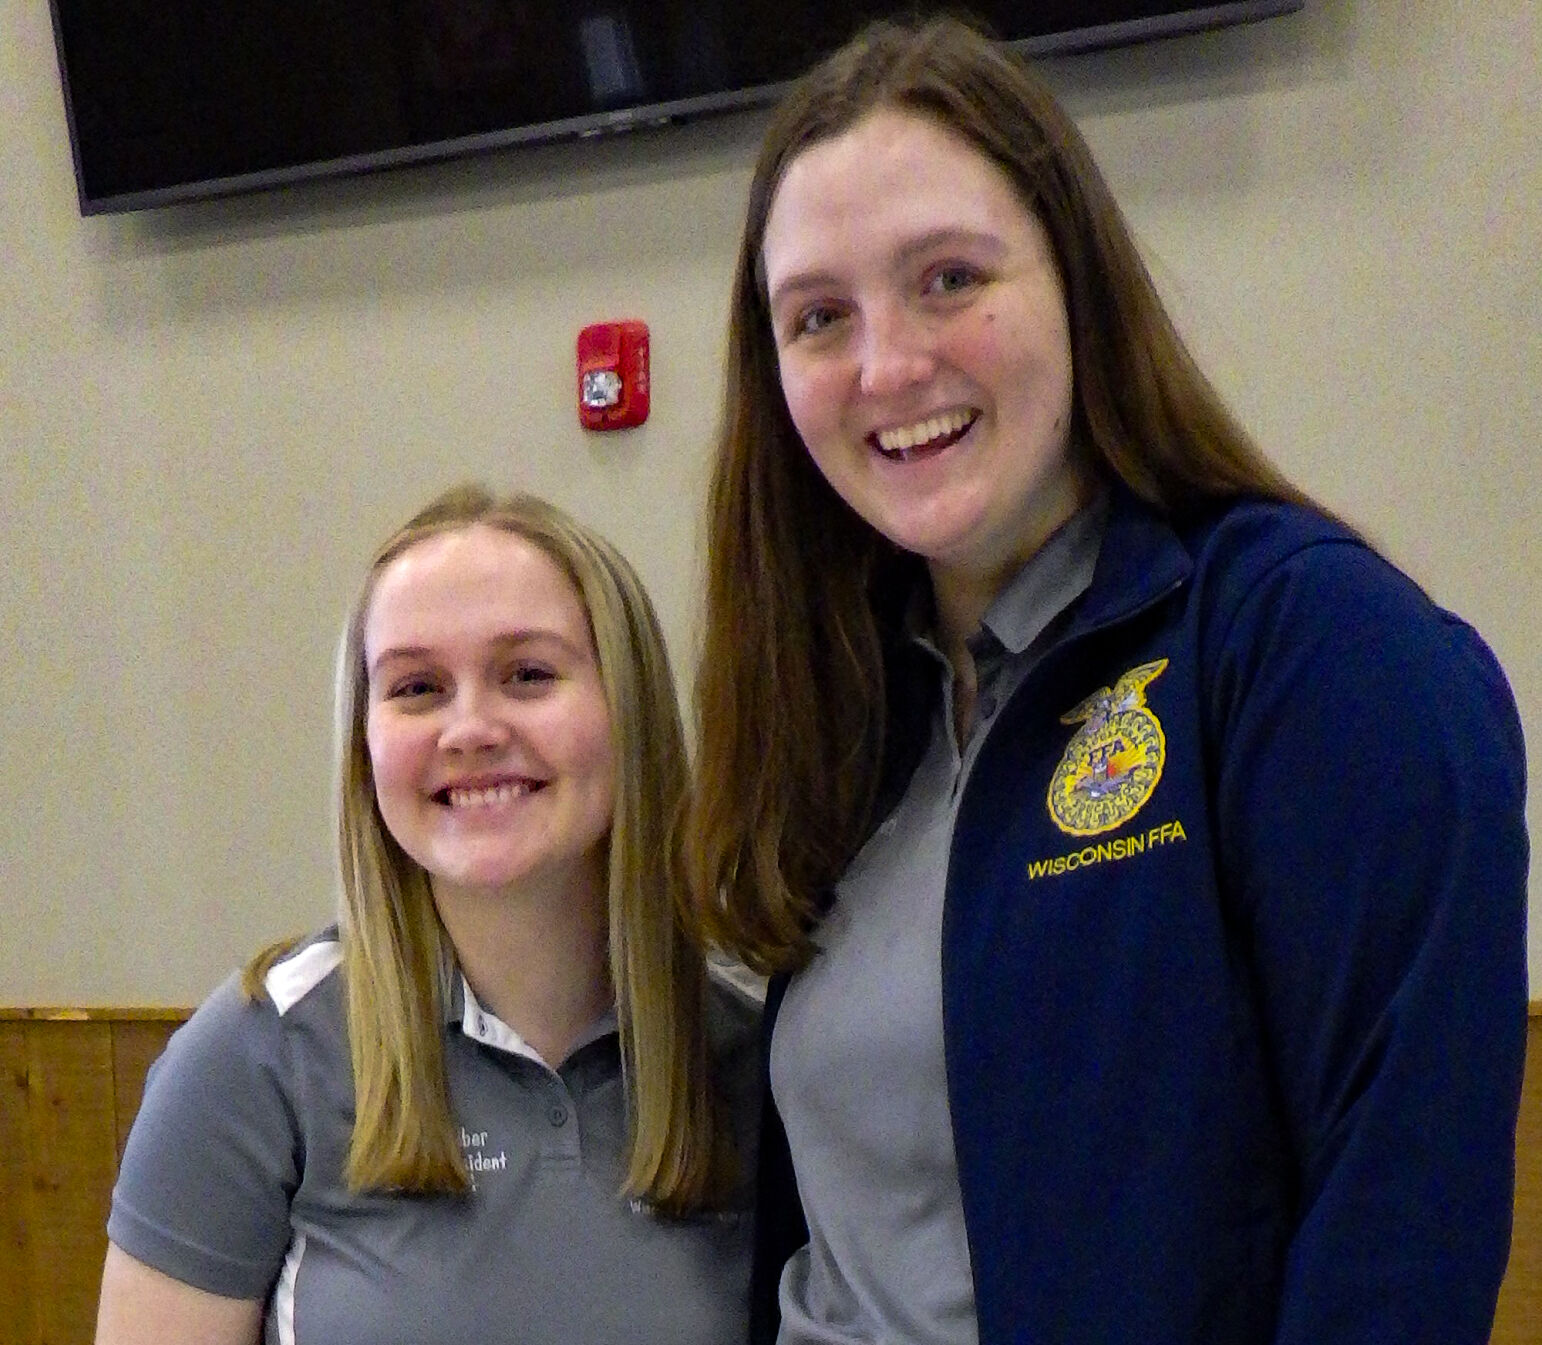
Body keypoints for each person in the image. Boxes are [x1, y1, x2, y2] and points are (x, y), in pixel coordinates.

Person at [683, 16, 1529, 1345]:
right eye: (818, 317)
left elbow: (1401, 1224)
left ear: (1076, 278)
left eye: (948, 278)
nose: (886, 365)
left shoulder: (1307, 645)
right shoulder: (849, 706)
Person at [96, 485, 760, 1345]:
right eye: (417, 687)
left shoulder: (754, 1048)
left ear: (630, 709)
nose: (470, 728)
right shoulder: (258, 1058)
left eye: (528, 674)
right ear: (365, 744)